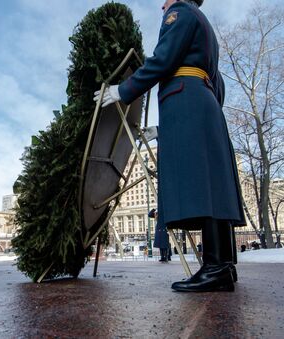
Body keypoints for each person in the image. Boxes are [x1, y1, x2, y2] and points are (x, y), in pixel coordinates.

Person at [95, 0, 245, 292]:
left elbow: (163, 60)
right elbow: (218, 85)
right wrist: (167, 128)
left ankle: (214, 268)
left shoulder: (181, 14)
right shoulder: (204, 26)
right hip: (203, 103)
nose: (162, 6)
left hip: (186, 101)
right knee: (213, 185)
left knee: (202, 185)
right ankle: (224, 265)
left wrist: (122, 90)